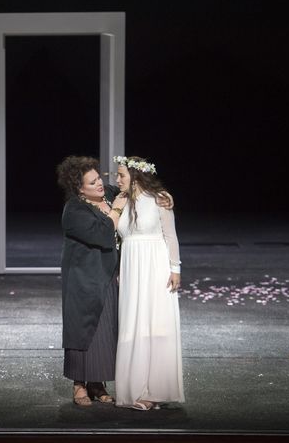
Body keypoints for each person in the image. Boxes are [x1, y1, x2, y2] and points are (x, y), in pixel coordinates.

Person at [113, 155, 184, 410]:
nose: (116, 179)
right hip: (132, 269)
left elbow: (171, 236)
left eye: (121, 175)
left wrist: (175, 269)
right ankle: (136, 387)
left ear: (135, 176)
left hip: (155, 267)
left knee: (155, 324)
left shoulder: (159, 199)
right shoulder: (120, 199)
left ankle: (154, 391)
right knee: (135, 325)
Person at [57, 156, 128, 406]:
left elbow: (131, 185)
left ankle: (98, 384)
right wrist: (117, 211)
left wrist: (162, 196)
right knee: (82, 328)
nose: (100, 184)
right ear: (79, 188)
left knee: (105, 328)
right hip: (83, 277)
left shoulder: (107, 194)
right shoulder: (74, 210)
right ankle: (79, 385)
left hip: (106, 274)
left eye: (99, 178)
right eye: (92, 182)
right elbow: (102, 234)